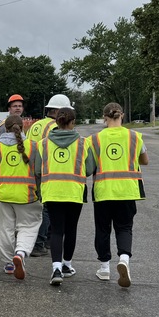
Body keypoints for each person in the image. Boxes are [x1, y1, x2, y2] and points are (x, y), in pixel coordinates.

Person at [33, 107, 96, 286]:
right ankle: (67, 265)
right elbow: (90, 169)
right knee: (71, 229)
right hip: (74, 192)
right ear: (73, 122)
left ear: (56, 121)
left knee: (57, 230)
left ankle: (56, 269)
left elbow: (37, 170)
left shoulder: (43, 143)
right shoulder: (84, 143)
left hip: (52, 192)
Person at [91, 102, 149, 287]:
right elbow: (145, 160)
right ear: (122, 115)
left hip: (104, 190)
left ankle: (104, 268)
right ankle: (124, 259)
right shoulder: (135, 136)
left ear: (104, 118)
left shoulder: (94, 139)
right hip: (127, 190)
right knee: (124, 227)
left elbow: (90, 165)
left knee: (103, 229)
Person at [0, 115, 42, 280]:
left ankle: (9, 263)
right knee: (29, 226)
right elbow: (38, 173)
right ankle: (21, 252)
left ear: (5, 129)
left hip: (2, 195)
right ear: (23, 127)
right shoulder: (33, 146)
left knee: (4, 229)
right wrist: (39, 192)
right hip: (27, 195)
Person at [27, 93, 72, 258]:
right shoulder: (54, 126)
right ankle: (41, 242)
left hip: (32, 168)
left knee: (39, 207)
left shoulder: (36, 125)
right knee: (46, 208)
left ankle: (43, 239)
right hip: (47, 170)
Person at [0, 94, 26, 232]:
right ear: (9, 108)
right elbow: (0, 152)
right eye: (15, 106)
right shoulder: (4, 126)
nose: (18, 108)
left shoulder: (18, 123)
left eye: (20, 106)